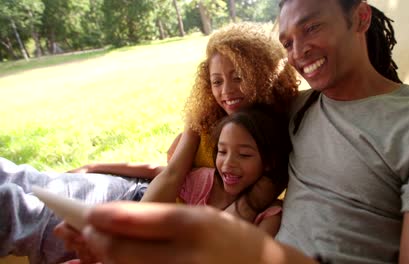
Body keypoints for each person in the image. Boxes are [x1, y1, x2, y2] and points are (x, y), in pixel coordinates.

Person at [75, 0, 409, 263]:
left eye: (312, 27)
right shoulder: (295, 110)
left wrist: (236, 244)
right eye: (287, 43)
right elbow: (226, 118)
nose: (299, 52)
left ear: (360, 18)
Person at [0, 22, 298, 264]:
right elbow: (171, 173)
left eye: (239, 77)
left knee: (17, 208)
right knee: (20, 178)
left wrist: (133, 237)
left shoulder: (271, 142)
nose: (227, 91)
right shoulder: (206, 119)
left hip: (153, 228)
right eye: (217, 81)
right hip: (138, 198)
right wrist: (99, 166)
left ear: (262, 73)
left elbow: (240, 218)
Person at [56, 105, 291, 263]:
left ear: (269, 162)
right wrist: (95, 167)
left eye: (245, 155)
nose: (228, 164)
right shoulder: (205, 181)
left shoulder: (270, 216)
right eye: (222, 151)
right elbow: (161, 172)